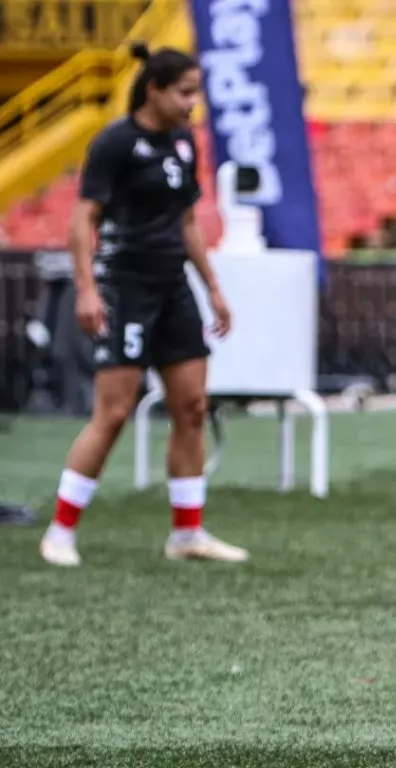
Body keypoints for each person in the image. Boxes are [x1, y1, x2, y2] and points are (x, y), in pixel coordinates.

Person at [38, 43, 243, 568]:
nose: (193, 103)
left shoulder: (183, 142)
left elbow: (187, 221)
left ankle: (187, 533)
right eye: (185, 92)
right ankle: (60, 531)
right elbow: (82, 220)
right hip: (126, 286)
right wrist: (87, 288)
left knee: (192, 407)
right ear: (154, 90)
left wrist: (213, 287)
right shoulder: (115, 142)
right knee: (113, 412)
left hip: (174, 287)